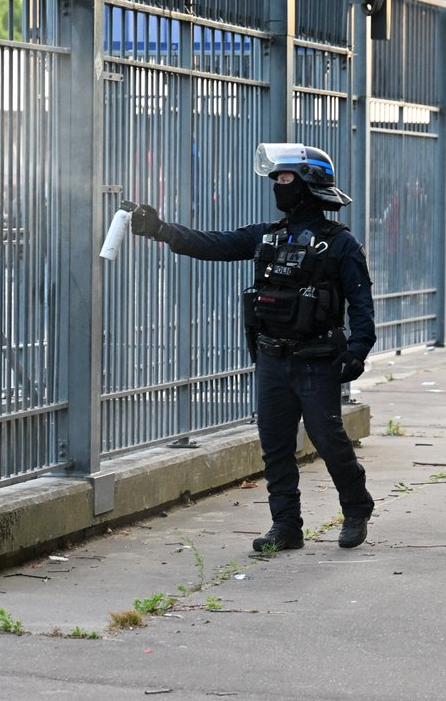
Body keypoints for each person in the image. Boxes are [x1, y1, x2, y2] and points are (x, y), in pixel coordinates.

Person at [129, 142, 375, 551]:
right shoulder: (267, 236)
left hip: (316, 360)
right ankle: (286, 526)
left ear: (308, 183)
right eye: (275, 179)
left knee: (328, 440)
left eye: (284, 179)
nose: (277, 186)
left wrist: (358, 350)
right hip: (272, 359)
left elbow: (361, 302)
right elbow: (214, 244)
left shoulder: (340, 243)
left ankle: (355, 507)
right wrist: (160, 229)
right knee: (275, 447)